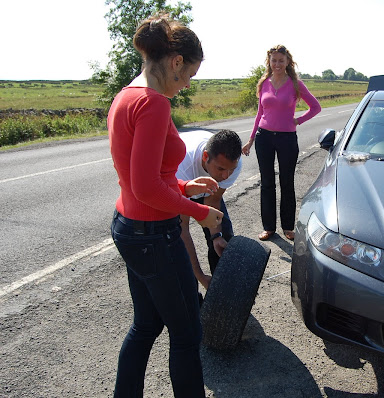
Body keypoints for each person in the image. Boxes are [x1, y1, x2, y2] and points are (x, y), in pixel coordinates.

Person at [107, 13, 222, 398]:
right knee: (188, 334)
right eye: (189, 74)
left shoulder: (125, 95)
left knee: (146, 325)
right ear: (175, 62)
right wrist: (201, 212)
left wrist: (187, 186)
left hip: (130, 227)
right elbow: (146, 186)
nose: (188, 83)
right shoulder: (153, 104)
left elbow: (148, 174)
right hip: (154, 235)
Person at [242, 44, 321, 241]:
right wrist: (251, 139)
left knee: (287, 182)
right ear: (269, 61)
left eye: (281, 60)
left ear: (288, 62)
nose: (277, 64)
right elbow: (260, 113)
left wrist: (298, 120)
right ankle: (268, 227)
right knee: (267, 183)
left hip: (287, 139)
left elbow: (316, 107)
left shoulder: (295, 84)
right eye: (274, 60)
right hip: (264, 137)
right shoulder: (264, 83)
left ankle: (288, 227)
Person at [176, 129, 243, 290]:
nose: (226, 176)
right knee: (174, 247)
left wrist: (217, 236)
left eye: (230, 170)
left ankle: (222, 291)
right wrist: (200, 276)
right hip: (179, 185)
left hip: (205, 186)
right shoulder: (181, 165)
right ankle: (193, 296)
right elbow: (182, 228)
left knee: (224, 235)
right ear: (205, 157)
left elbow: (213, 200)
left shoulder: (233, 164)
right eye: (220, 169)